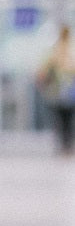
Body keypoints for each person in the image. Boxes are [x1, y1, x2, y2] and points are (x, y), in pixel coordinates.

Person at [36, 24, 75, 155]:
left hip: (61, 92)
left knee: (62, 120)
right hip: (64, 92)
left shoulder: (56, 51)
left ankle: (64, 146)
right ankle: (66, 146)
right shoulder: (67, 50)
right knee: (66, 120)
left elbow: (44, 70)